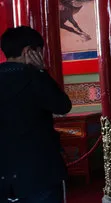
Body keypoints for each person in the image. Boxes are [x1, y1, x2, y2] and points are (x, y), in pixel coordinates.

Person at [0, 26, 72, 203]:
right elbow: (62, 106)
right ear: (29, 51)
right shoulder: (34, 78)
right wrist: (41, 72)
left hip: (5, 178)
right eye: (41, 51)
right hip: (39, 175)